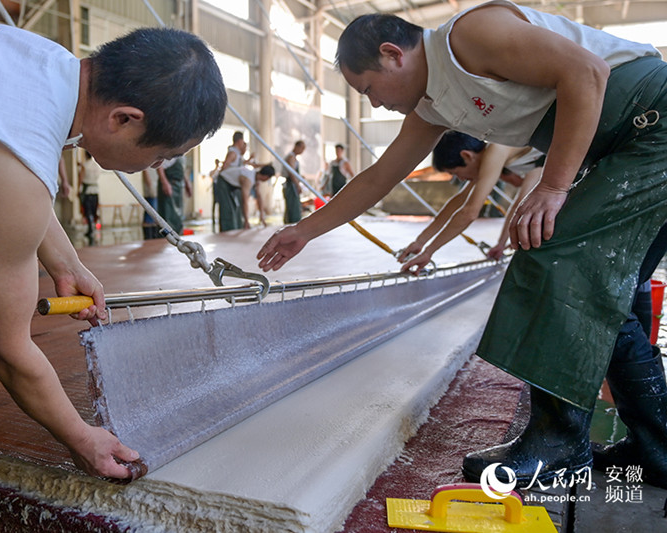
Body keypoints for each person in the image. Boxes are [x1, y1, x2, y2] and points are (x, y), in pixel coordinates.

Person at [257, 1, 667, 488]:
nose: (372, 104)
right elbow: (378, 178)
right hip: (626, 143)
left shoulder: (469, 35)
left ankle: (559, 442)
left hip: (651, 123)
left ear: (393, 55)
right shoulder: (432, 105)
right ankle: (654, 449)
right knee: (603, 293)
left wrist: (554, 187)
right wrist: (304, 230)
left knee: (555, 263)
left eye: (367, 88)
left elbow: (587, 70)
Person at [0, 14, 226, 532]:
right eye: (163, 154)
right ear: (124, 119)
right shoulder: (15, 164)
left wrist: (65, 259)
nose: (156, 169)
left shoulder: (45, 63)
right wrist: (82, 436)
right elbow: (6, 350)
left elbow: (12, 171)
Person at [397, 131, 543, 266]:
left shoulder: (496, 150)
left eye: (455, 172)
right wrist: (420, 241)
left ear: (467, 156)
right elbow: (458, 201)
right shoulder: (489, 158)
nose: (460, 178)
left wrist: (429, 252)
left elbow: (470, 212)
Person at [215, 165, 276, 231]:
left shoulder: (256, 178)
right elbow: (245, 201)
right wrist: (246, 221)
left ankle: (236, 228)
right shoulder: (248, 179)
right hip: (223, 181)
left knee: (236, 209)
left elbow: (259, 197)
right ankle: (227, 232)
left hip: (232, 185)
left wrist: (261, 215)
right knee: (228, 209)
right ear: (266, 176)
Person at [157, 155, 192, 234]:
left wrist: (187, 182)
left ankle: (177, 239)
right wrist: (164, 182)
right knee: (168, 216)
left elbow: (182, 169)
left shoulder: (183, 151)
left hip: (178, 186)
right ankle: (165, 243)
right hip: (169, 183)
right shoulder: (169, 146)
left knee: (177, 218)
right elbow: (159, 166)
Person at [78, 152, 102, 245]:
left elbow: (81, 178)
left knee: (87, 211)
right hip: (95, 190)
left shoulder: (85, 166)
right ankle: (94, 227)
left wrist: (78, 190)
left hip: (87, 190)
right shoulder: (96, 165)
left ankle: (90, 228)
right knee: (94, 210)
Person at [283, 140, 306, 223]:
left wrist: (300, 177)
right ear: (297, 146)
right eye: (302, 148)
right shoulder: (291, 157)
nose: (303, 150)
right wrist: (297, 185)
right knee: (292, 208)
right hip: (291, 185)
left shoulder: (293, 157)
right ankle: (291, 225)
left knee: (295, 207)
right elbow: (291, 173)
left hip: (292, 184)